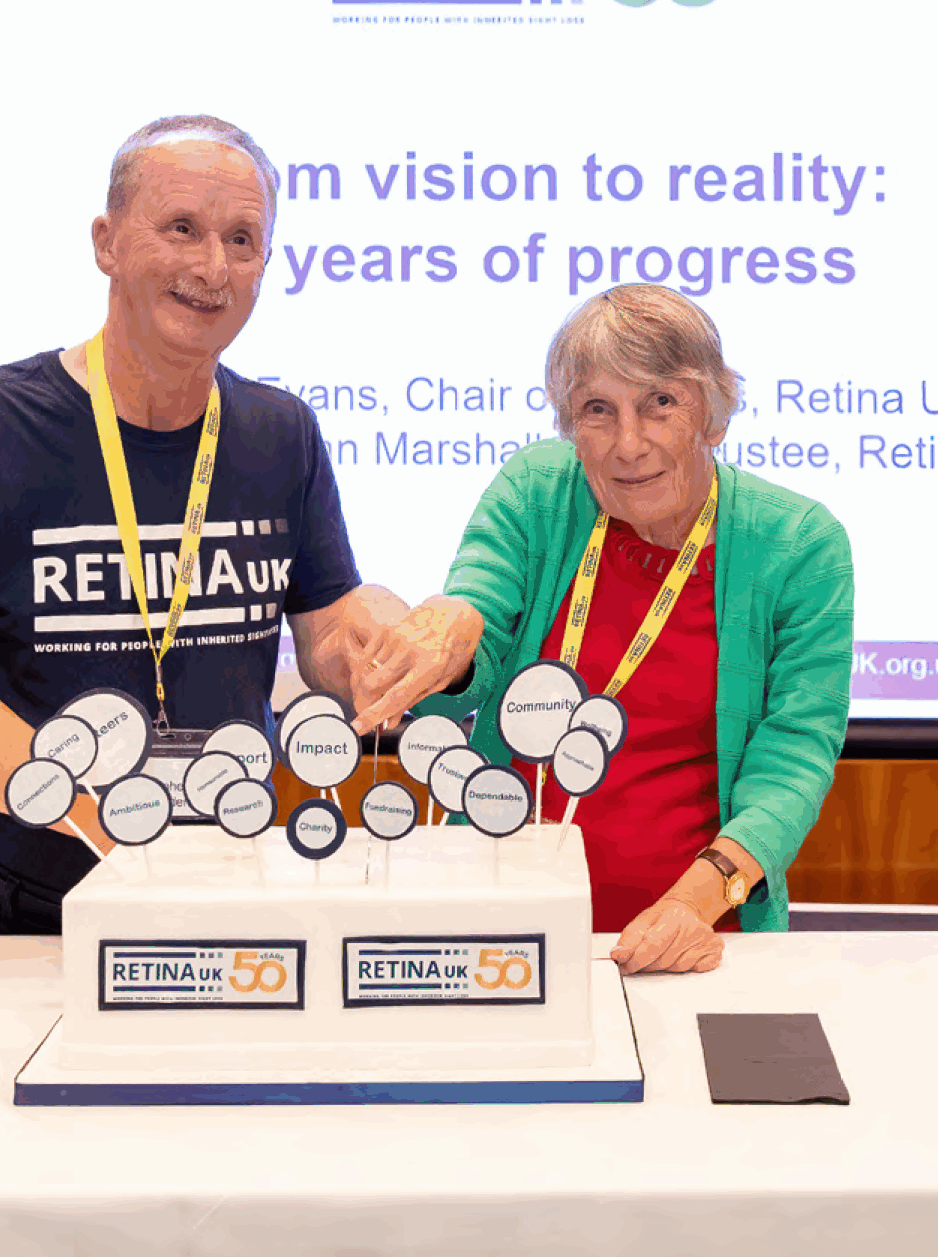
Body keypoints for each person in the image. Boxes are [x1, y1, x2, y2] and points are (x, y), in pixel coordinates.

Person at [0, 114, 405, 935]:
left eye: (243, 239)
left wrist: (380, 638)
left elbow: (327, 638)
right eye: (181, 229)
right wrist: (93, 813)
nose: (212, 267)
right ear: (106, 242)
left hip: (210, 895)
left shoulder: (279, 433)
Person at [350, 285, 854, 974]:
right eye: (597, 410)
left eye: (661, 403)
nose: (628, 444)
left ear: (712, 412)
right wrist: (450, 635)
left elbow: (792, 757)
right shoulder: (537, 489)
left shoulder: (799, 543)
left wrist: (695, 903)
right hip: (504, 929)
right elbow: (479, 616)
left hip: (694, 934)